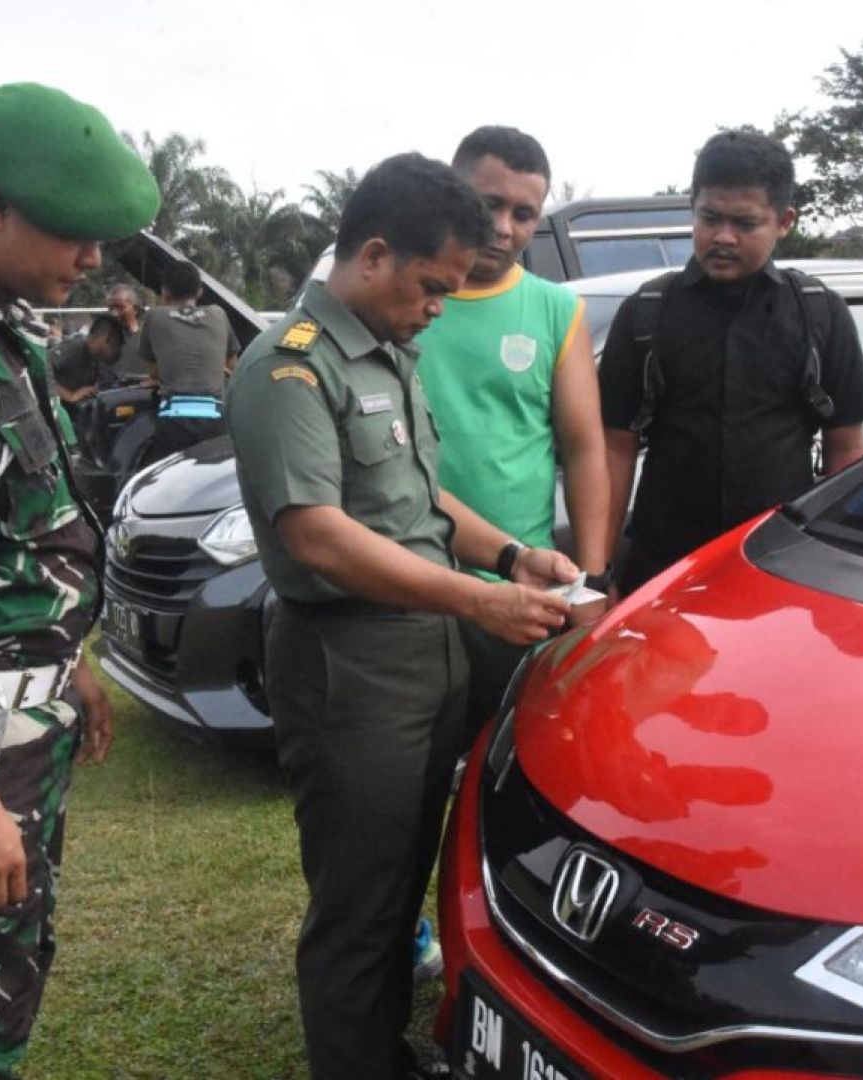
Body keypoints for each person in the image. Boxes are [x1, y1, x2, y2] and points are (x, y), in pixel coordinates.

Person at [226, 152, 578, 1080]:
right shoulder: (291, 367)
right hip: (351, 668)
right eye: (432, 287)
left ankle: (379, 1050)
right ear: (374, 254)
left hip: (427, 655)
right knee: (359, 902)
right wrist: (482, 599)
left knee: (407, 872)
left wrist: (512, 555)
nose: (438, 307)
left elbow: (422, 504)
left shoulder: (390, 350)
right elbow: (320, 537)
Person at [0, 81, 158, 1077]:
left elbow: (13, 541)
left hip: (17, 732)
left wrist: (71, 663)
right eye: (73, 233)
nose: (92, 259)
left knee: (5, 987)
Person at [599, 130, 863, 595]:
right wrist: (599, 572)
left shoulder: (820, 313)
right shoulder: (646, 313)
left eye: (745, 224)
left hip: (783, 566)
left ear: (784, 221)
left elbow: (846, 447)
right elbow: (614, 448)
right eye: (710, 218)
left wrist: (843, 573)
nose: (722, 237)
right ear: (693, 207)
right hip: (664, 565)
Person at [417, 125, 611, 745]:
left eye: (524, 213)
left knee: (502, 758)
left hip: (514, 591)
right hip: (405, 578)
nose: (504, 227)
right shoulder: (403, 299)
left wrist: (593, 578)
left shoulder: (557, 311)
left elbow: (584, 450)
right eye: (489, 204)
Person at [141, 258, 240, 459]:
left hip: (174, 421)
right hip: (216, 420)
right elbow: (232, 366)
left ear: (164, 292)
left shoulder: (155, 317)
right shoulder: (219, 314)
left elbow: (155, 371)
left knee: (171, 485)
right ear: (199, 292)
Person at [51, 312, 125, 421]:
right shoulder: (73, 348)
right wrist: (69, 395)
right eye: (115, 345)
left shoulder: (95, 359)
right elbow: (40, 368)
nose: (117, 352)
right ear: (106, 338)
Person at [106, 282, 147, 376]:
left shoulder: (150, 333)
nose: (114, 314)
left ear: (135, 308)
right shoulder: (105, 339)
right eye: (110, 308)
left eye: (120, 308)